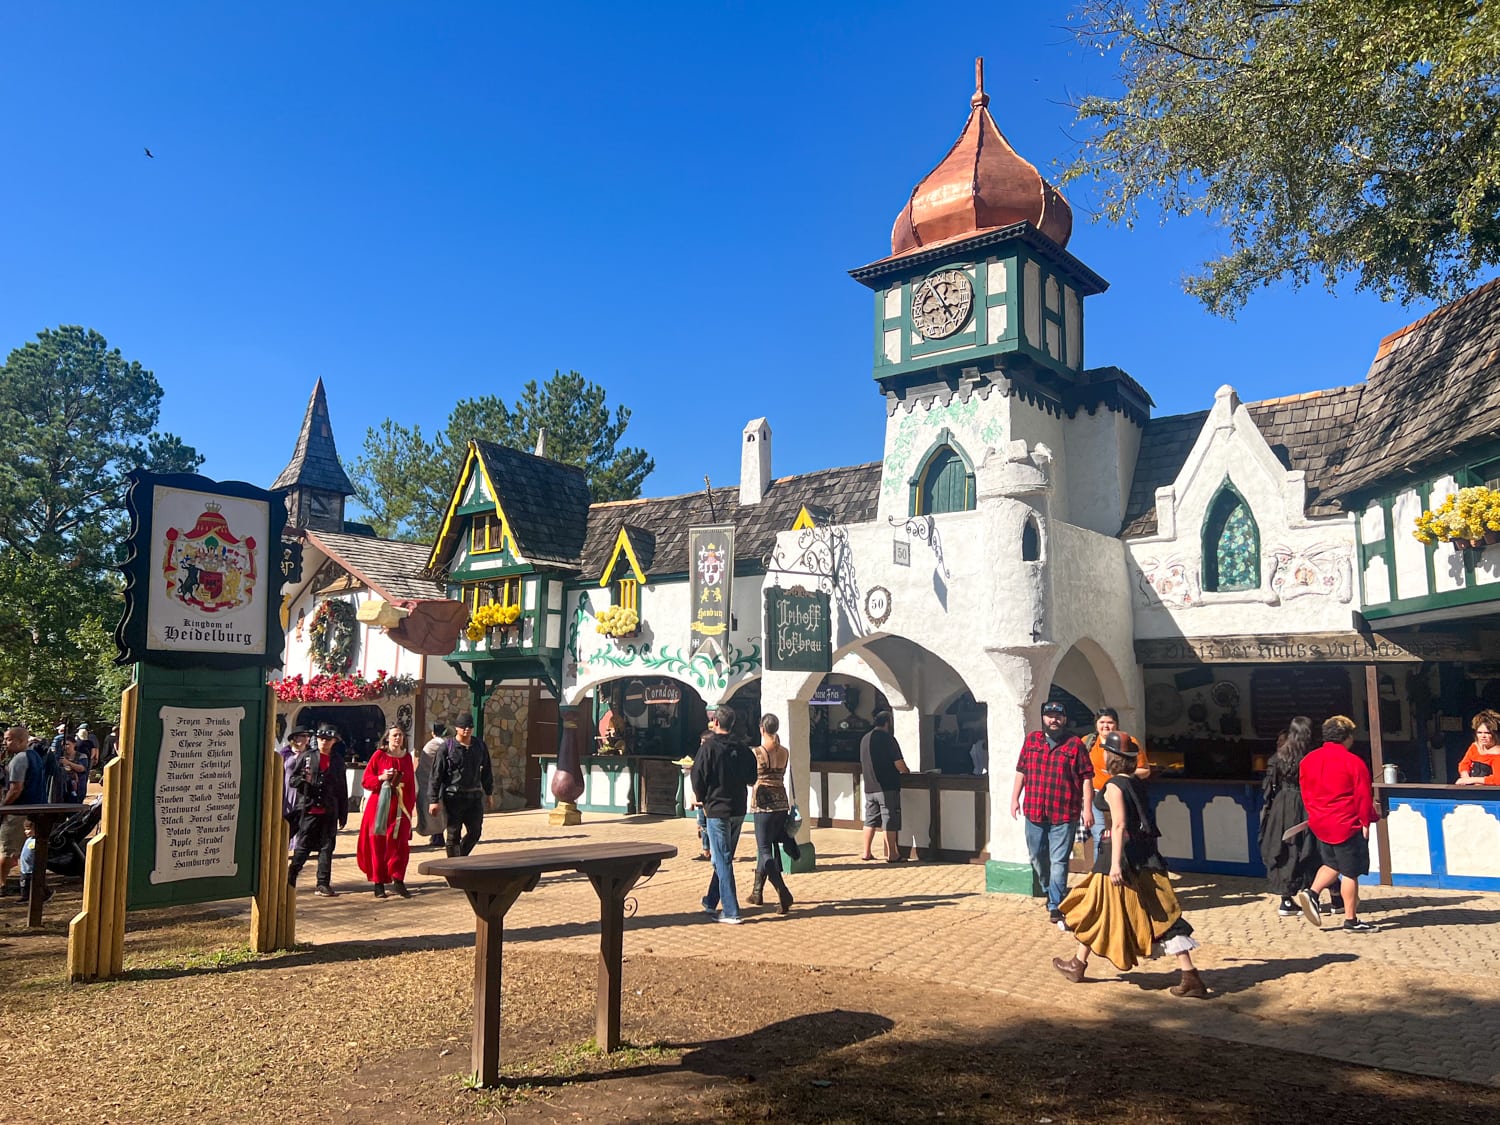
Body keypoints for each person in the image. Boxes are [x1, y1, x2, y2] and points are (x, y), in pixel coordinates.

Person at [1052, 739, 1208, 998]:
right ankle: (1077, 964)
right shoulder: (1136, 780)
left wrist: (1115, 865)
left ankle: (1077, 965)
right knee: (1158, 912)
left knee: (1096, 907)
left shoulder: (1114, 785)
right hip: (1143, 854)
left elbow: (1120, 826)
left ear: (1112, 758)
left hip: (1119, 856)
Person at [1011, 700, 1095, 926]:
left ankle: (1055, 905)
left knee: (1059, 861)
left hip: (1065, 811)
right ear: (1043, 718)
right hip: (1034, 810)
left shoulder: (1075, 745)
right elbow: (1021, 771)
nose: (1053, 720)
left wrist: (1088, 808)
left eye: (1058, 716)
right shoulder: (1032, 741)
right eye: (1049, 715)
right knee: (1037, 856)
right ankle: (1049, 888)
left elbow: (1086, 777)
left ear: (1065, 719)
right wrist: (1014, 799)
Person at [1297, 715, 1380, 933]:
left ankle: (1312, 893)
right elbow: (1363, 797)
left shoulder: (1308, 761)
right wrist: (1366, 821)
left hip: (1320, 822)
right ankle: (1351, 920)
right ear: (1347, 737)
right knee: (1350, 873)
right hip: (1346, 823)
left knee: (1332, 864)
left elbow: (1306, 793)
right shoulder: (1354, 762)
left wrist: (1315, 815)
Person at [1258, 716, 1343, 917]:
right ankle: (1334, 895)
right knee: (1315, 848)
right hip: (1306, 802)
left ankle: (1286, 900)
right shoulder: (1312, 756)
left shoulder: (1278, 756)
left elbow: (1269, 787)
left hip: (1281, 805)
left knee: (1285, 849)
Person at [690, 706, 757, 924]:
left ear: (716, 723)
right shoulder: (744, 749)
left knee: (723, 859)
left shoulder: (708, 748)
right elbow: (752, 778)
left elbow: (697, 776)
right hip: (738, 808)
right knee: (723, 857)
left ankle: (730, 910)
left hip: (717, 809)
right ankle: (711, 900)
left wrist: (700, 797)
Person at [1081, 708, 1149, 865]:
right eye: (1102, 722)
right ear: (1096, 724)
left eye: (1110, 722)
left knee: (1122, 833)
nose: (1106, 726)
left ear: (1117, 724)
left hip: (1122, 795)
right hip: (1097, 797)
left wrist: (1121, 776)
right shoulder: (1088, 742)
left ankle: (1124, 868)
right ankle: (1101, 872)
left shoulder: (1129, 742)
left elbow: (1145, 770)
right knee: (1101, 836)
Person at [287, 726, 350, 897]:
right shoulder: (307, 756)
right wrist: (302, 779)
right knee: (303, 846)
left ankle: (323, 883)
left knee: (327, 847)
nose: (324, 742)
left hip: (329, 810)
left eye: (328, 739)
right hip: (309, 809)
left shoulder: (337, 760)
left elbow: (342, 788)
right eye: (321, 738)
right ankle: (290, 876)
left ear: (334, 741)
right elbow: (292, 780)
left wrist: (343, 813)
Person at [356, 725, 416, 898]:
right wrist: (382, 778)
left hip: (400, 807)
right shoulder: (379, 756)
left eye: (400, 735)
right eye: (395, 735)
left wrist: (410, 809)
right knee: (378, 842)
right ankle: (378, 882)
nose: (398, 738)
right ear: (387, 738)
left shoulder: (407, 758)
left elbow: (411, 786)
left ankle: (398, 880)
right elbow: (366, 781)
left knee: (400, 844)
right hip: (379, 807)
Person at [747, 713, 799, 914]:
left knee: (764, 849)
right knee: (766, 847)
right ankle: (757, 892)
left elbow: (751, 778)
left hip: (762, 805)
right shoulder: (784, 752)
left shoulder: (757, 753)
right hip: (781, 804)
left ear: (762, 729)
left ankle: (783, 892)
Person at [428, 714, 493, 857]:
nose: (467, 729)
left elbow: (487, 770)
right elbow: (436, 775)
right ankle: (453, 867)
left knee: (475, 832)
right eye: (464, 727)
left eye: (470, 726)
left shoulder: (480, 746)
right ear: (457, 728)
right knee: (453, 834)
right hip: (453, 797)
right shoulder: (447, 747)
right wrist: (434, 800)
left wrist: (489, 793)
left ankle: (461, 858)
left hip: (474, 796)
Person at [859, 711, 910, 862]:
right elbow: (899, 764)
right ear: (887, 723)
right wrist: (906, 771)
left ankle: (866, 852)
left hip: (869, 786)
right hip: (887, 786)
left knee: (870, 819)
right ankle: (892, 854)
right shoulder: (888, 739)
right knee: (889, 819)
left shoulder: (865, 739)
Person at [1, 725, 33, 891]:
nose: (5, 742)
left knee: (7, 848)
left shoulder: (19, 759)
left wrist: (4, 807)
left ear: (21, 741)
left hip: (17, 810)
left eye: (8, 739)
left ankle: (2, 884)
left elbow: (16, 788)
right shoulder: (34, 755)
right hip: (29, 809)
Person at [414, 721, 448, 846]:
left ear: (433, 733)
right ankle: (437, 836)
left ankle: (437, 837)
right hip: (434, 781)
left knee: (433, 811)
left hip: (428, 782)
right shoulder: (445, 744)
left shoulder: (433, 744)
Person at [1456, 710, 1500, 785]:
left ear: (1495, 734)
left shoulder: (1497, 753)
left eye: (1487, 733)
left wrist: (1471, 780)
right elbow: (1464, 764)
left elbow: (1497, 779)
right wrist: (1465, 777)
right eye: (1479, 732)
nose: (1483, 736)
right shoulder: (1475, 747)